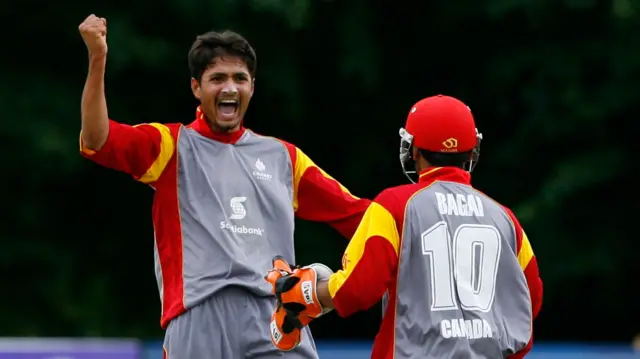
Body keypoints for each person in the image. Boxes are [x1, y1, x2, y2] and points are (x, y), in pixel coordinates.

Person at [77, 14, 371, 359]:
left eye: (239, 78)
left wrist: (423, 214)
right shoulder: (171, 146)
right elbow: (98, 139)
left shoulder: (283, 157)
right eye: (217, 78)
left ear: (252, 87)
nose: (230, 87)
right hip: (199, 315)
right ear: (196, 88)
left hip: (274, 316)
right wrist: (97, 58)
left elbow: (359, 215)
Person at [265, 95, 544, 359]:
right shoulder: (506, 219)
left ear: (414, 150)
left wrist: (304, 293)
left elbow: (357, 289)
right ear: (473, 150)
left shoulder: (394, 204)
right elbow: (529, 303)